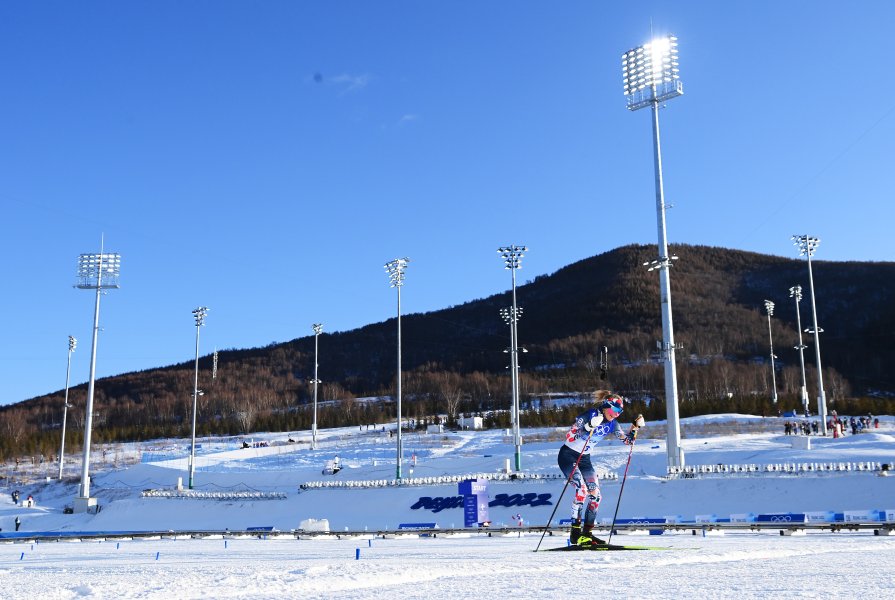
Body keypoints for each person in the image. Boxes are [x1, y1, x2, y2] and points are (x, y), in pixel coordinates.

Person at [557, 390, 644, 548]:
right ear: (606, 406)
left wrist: (635, 427)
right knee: (582, 490)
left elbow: (627, 441)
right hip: (568, 456)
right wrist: (588, 426)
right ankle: (575, 534)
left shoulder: (613, 424)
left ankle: (587, 534)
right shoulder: (590, 414)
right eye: (615, 410)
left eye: (620, 412)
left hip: (584, 459)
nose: (617, 415)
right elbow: (569, 436)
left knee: (596, 496)